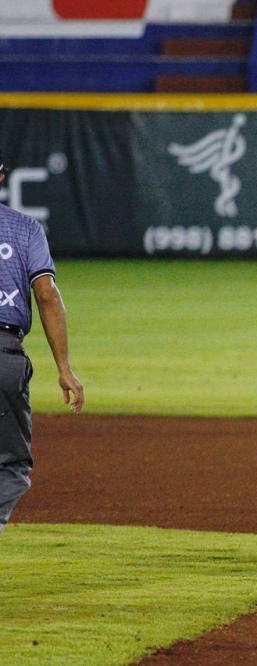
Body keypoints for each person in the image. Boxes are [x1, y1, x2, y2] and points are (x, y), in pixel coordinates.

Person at [0, 149, 84, 535]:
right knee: (9, 465)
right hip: (5, 358)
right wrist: (64, 368)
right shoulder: (25, 229)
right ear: (1, 178)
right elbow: (47, 295)